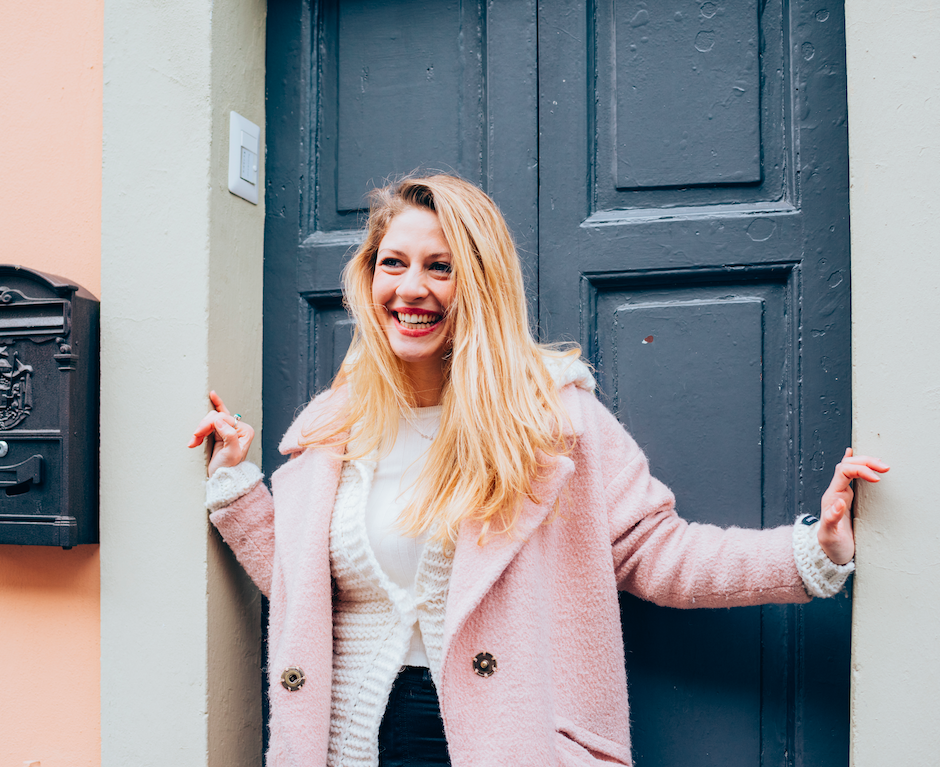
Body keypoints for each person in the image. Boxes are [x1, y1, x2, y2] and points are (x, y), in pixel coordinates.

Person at [188, 175, 888, 767]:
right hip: (347, 743)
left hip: (502, 741)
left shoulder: (551, 417)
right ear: (368, 276)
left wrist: (808, 552)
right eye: (392, 263)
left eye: (441, 266)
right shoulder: (332, 427)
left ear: (481, 283)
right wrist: (235, 488)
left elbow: (657, 550)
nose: (412, 288)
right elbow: (299, 583)